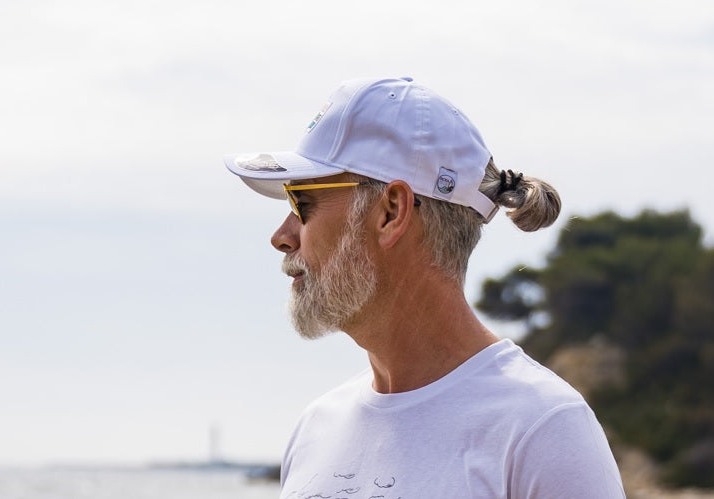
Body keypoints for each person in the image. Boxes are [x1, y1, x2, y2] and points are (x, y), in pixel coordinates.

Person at [224, 76, 625, 498]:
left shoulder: (541, 430)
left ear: (391, 212)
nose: (282, 236)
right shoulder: (316, 429)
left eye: (301, 203)